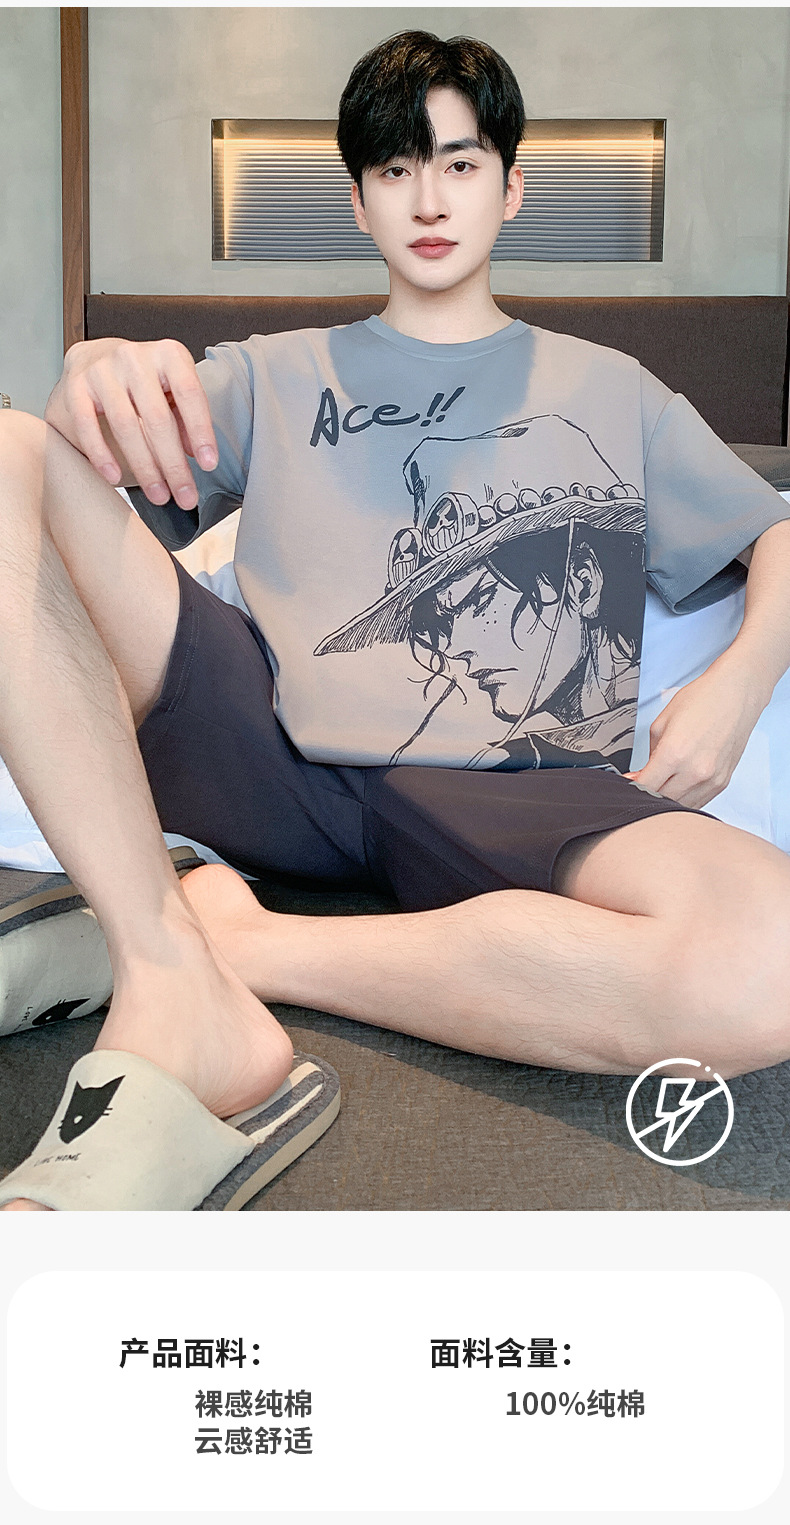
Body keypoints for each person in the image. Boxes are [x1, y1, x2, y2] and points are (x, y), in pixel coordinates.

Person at [2, 30, 790, 1211]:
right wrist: (96, 375)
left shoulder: (613, 392)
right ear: (359, 201)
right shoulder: (271, 374)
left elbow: (775, 534)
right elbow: (83, 484)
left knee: (764, 954)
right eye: (395, 169)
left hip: (517, 786)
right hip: (263, 736)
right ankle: (161, 951)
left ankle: (234, 945)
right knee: (7, 448)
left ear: (511, 188)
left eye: (460, 164)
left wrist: (736, 682)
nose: (428, 199)